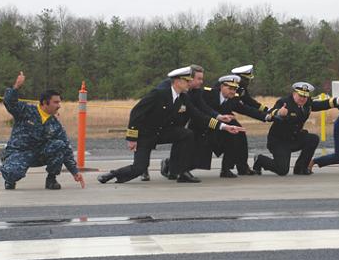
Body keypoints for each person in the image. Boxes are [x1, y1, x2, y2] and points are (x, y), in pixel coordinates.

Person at [97, 67, 244, 185]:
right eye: (187, 81)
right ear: (178, 82)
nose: (190, 84)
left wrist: (224, 127)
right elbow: (136, 112)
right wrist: (132, 137)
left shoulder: (184, 97)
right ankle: (112, 174)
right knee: (138, 168)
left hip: (163, 133)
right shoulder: (159, 93)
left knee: (186, 134)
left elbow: (199, 116)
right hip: (145, 135)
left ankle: (181, 171)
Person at [0, 72, 85, 190]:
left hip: (39, 154)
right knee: (13, 173)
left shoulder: (55, 124)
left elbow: (66, 150)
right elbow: (10, 102)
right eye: (56, 102)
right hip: (19, 152)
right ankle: (10, 178)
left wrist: (75, 172)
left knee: (59, 145)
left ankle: (51, 179)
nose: (59, 105)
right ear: (45, 103)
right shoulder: (26, 111)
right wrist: (16, 86)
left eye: (59, 102)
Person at [253, 82, 339, 176]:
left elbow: (323, 104)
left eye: (305, 96)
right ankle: (260, 160)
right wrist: (279, 113)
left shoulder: (307, 103)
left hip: (295, 138)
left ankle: (300, 168)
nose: (303, 99)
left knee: (313, 139)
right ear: (294, 94)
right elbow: (271, 113)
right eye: (300, 95)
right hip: (279, 141)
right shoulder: (284, 102)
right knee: (282, 170)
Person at [155, 65, 234, 181]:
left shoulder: (195, 91)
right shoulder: (166, 88)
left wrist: (219, 117)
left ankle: (174, 169)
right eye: (199, 79)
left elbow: (201, 108)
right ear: (189, 78)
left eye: (202, 79)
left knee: (185, 139)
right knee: (142, 157)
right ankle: (150, 169)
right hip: (157, 125)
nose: (201, 82)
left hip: (179, 121)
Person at [190, 74, 271, 178]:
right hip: (201, 130)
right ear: (221, 86)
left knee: (236, 133)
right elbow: (199, 110)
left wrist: (268, 117)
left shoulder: (234, 99)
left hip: (219, 129)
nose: (233, 91)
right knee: (192, 160)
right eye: (230, 88)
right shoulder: (206, 94)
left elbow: (247, 110)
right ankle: (170, 165)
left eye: (235, 89)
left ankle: (228, 169)